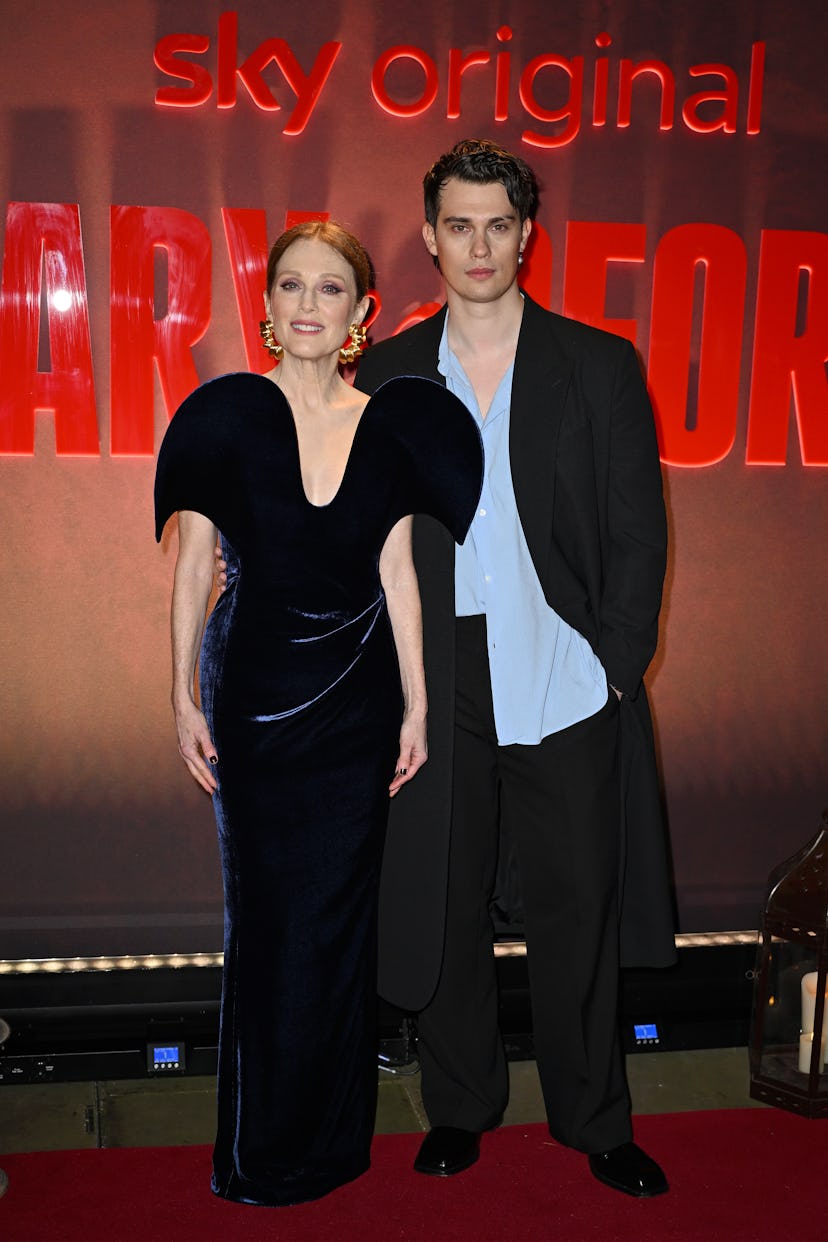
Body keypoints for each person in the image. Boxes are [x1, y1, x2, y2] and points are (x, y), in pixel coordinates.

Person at [355, 140, 676, 1198]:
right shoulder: (394, 373)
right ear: (432, 235)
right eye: (459, 224)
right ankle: (460, 1108)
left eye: (499, 223)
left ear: (526, 234)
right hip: (442, 676)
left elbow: (639, 534)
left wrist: (616, 665)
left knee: (575, 911)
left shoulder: (595, 363)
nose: (479, 244)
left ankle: (596, 1122)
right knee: (445, 905)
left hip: (566, 671)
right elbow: (370, 536)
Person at [154, 220, 482, 1206]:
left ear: (360, 315)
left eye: (330, 290)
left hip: (357, 701)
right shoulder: (224, 419)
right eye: (291, 285)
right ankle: (261, 1153)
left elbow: (401, 577)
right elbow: (195, 568)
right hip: (253, 695)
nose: (307, 304)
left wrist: (419, 704)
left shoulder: (389, 424)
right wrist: (179, 694)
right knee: (266, 922)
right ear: (266, 306)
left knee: (339, 925)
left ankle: (334, 1146)